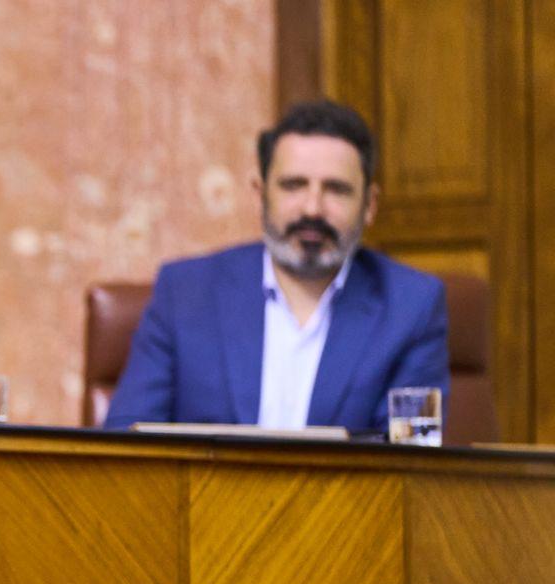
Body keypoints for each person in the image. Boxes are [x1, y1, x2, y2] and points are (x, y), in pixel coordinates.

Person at [104, 100, 447, 434]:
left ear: (369, 205)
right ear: (260, 194)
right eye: (293, 185)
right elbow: (127, 441)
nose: (312, 208)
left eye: (336, 190)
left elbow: (413, 459)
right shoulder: (186, 292)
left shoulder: (413, 306)